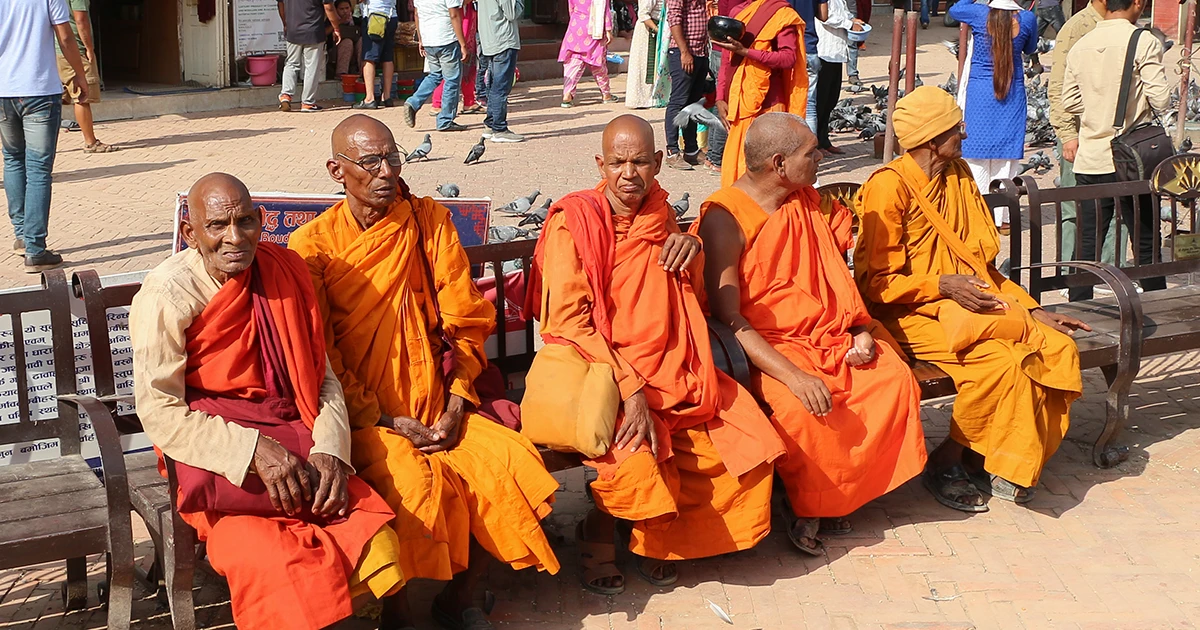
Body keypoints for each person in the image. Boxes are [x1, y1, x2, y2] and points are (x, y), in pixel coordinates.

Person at [288, 115, 558, 629]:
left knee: (508, 461)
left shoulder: (427, 221)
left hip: (441, 402)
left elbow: (466, 319)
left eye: (394, 157)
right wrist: (385, 419)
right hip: (366, 418)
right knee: (415, 482)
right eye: (371, 162)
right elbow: (321, 356)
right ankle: (399, 612)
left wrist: (458, 400)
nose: (387, 170)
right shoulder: (313, 248)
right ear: (336, 171)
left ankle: (460, 597)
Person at [130, 173, 405, 630]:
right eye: (218, 225)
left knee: (377, 541)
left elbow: (322, 378)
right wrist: (252, 451)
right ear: (190, 233)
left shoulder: (286, 270)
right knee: (276, 566)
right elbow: (160, 409)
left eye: (245, 222)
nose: (234, 238)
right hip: (218, 459)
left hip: (297, 439)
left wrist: (331, 450)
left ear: (261, 222)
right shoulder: (168, 292)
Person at [526, 114, 784, 594]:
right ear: (600, 165)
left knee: (748, 443)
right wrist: (631, 388)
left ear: (659, 163)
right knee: (637, 456)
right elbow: (568, 323)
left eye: (641, 162)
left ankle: (662, 543)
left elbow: (679, 286)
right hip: (601, 367)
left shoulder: (660, 212)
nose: (630, 175)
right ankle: (597, 535)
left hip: (674, 365)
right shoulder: (574, 222)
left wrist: (690, 245)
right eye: (618, 163)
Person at [695, 113, 926, 555]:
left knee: (891, 379)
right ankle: (809, 507)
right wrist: (794, 376)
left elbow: (835, 278)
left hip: (827, 334)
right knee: (802, 407)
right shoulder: (725, 218)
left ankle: (848, 494)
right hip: (766, 347)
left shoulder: (806, 202)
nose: (820, 157)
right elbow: (729, 319)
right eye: (811, 152)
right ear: (780, 164)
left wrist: (857, 327)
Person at [855, 87, 1088, 512]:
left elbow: (983, 269)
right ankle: (946, 461)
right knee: (1002, 364)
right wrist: (940, 286)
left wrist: (1033, 311)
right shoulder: (888, 188)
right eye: (955, 130)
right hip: (907, 313)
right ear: (930, 139)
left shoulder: (959, 175)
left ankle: (995, 457)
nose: (963, 136)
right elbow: (878, 284)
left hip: (968, 307)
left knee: (1056, 347)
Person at [1062, 0, 1170, 301]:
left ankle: (1079, 307)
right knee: (1146, 240)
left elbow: (1069, 101)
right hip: (1132, 161)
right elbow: (1160, 100)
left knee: (1087, 242)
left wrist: (1097, 109)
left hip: (1090, 160)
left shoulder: (1082, 43)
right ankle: (1158, 305)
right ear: (1137, 3)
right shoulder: (1143, 40)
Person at [1, 0, 90, 272]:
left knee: (13, 160)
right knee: (39, 170)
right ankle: (36, 248)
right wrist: (79, 73)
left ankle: (22, 236)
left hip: (4, 90)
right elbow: (65, 36)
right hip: (39, 89)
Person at [949, 0, 1036, 234]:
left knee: (975, 157)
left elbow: (955, 8)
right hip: (1011, 93)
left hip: (980, 93)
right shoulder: (1027, 18)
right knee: (1006, 159)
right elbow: (1029, 48)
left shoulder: (978, 13)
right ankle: (1002, 218)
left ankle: (977, 213)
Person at [1048, 0, 1114, 268]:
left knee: (1114, 206)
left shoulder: (1122, 27)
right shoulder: (1077, 27)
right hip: (1080, 132)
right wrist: (1067, 134)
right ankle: (1070, 271)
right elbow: (1058, 84)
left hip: (1112, 136)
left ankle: (1111, 269)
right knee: (1073, 208)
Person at [713, 0, 807, 186]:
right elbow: (726, 59)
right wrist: (719, 97)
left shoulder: (781, 13)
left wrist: (746, 51)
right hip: (739, 101)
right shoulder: (738, 11)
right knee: (738, 165)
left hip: (769, 104)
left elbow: (788, 58)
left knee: (768, 172)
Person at [55, 0, 116, 154]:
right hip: (73, 50)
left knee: (54, 99)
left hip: (54, 50)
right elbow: (80, 20)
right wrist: (89, 47)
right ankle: (90, 142)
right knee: (82, 96)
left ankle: (42, 144)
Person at [400, 0, 469, 130]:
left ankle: (413, 102)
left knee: (435, 75)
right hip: (446, 39)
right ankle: (445, 120)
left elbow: (417, 14)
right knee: (452, 80)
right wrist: (463, 44)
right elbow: (454, 15)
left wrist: (421, 39)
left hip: (429, 40)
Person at [663, 0, 711, 169]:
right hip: (683, 52)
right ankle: (672, 151)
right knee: (678, 102)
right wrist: (684, 51)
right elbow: (674, 19)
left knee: (693, 104)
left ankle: (691, 150)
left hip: (700, 52)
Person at [814, 0, 861, 154]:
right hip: (824, 52)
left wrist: (853, 20)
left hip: (837, 53)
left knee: (831, 100)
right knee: (820, 101)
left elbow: (844, 13)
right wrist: (848, 24)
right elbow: (824, 17)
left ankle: (824, 139)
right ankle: (816, 143)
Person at [278, 0, 341, 112]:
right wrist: (336, 27)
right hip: (313, 31)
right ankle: (307, 103)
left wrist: (285, 24)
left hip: (293, 30)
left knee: (291, 63)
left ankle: (285, 95)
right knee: (311, 67)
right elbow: (329, 7)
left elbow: (281, 5)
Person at [477, 0, 525, 141]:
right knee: (500, 87)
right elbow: (511, 13)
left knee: (492, 85)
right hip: (503, 39)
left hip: (489, 39)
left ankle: (491, 124)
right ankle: (499, 128)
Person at [559, 0, 619, 106]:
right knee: (598, 63)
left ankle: (567, 94)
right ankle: (606, 94)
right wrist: (609, 30)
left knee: (573, 61)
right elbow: (605, 11)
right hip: (595, 28)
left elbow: (571, 9)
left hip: (576, 25)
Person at [432, 0, 483, 115]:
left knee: (469, 66)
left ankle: (469, 101)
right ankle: (438, 103)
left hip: (468, 22)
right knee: (449, 68)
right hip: (457, 26)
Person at [626, 0, 665, 108]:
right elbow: (644, 14)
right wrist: (658, 30)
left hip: (660, 28)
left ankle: (655, 98)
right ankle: (643, 100)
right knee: (646, 66)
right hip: (648, 30)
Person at [333, 0, 363, 77]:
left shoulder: (356, 21)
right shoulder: (332, 20)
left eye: (347, 8)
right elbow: (325, 32)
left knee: (361, 41)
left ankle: (363, 71)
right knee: (347, 42)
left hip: (355, 51)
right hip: (336, 51)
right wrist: (339, 22)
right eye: (341, 9)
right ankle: (342, 73)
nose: (345, 11)